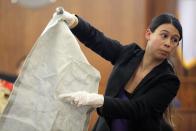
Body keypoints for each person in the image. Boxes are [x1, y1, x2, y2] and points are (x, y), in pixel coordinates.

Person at [54, 7, 182, 131]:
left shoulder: (170, 80)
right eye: (164, 35)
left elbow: (138, 109)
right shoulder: (129, 54)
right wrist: (74, 22)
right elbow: (98, 40)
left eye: (174, 40)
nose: (168, 43)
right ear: (148, 34)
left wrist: (99, 100)